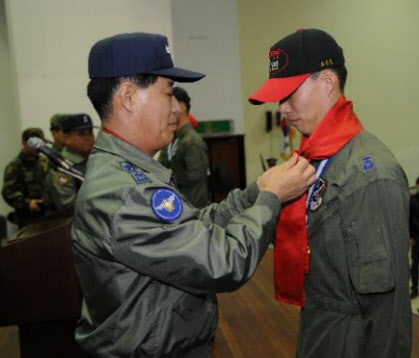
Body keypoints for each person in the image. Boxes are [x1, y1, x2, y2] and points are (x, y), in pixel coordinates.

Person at [72, 32, 316, 357]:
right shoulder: (125, 191)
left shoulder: (131, 173)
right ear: (129, 97)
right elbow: (223, 262)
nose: (177, 108)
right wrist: (271, 199)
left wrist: (255, 192)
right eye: (168, 93)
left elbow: (192, 225)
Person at [249, 28, 411, 357]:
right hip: (320, 331)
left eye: (289, 93)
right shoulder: (315, 160)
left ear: (327, 82)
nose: (281, 109)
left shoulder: (369, 173)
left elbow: (387, 311)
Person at [158, 87, 210, 208]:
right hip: (175, 206)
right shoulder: (173, 139)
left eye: (169, 107)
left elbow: (198, 189)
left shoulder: (192, 142)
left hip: (189, 213)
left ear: (181, 107)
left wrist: (192, 217)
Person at [43, 113, 95, 212]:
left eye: (90, 132)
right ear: (66, 137)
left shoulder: (97, 159)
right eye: (81, 134)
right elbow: (68, 207)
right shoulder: (61, 167)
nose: (88, 137)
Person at [2, 128, 49, 227]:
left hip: (49, 214)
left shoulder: (44, 161)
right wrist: (28, 203)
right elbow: (8, 192)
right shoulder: (15, 166)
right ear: (24, 143)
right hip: (28, 219)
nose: (37, 147)